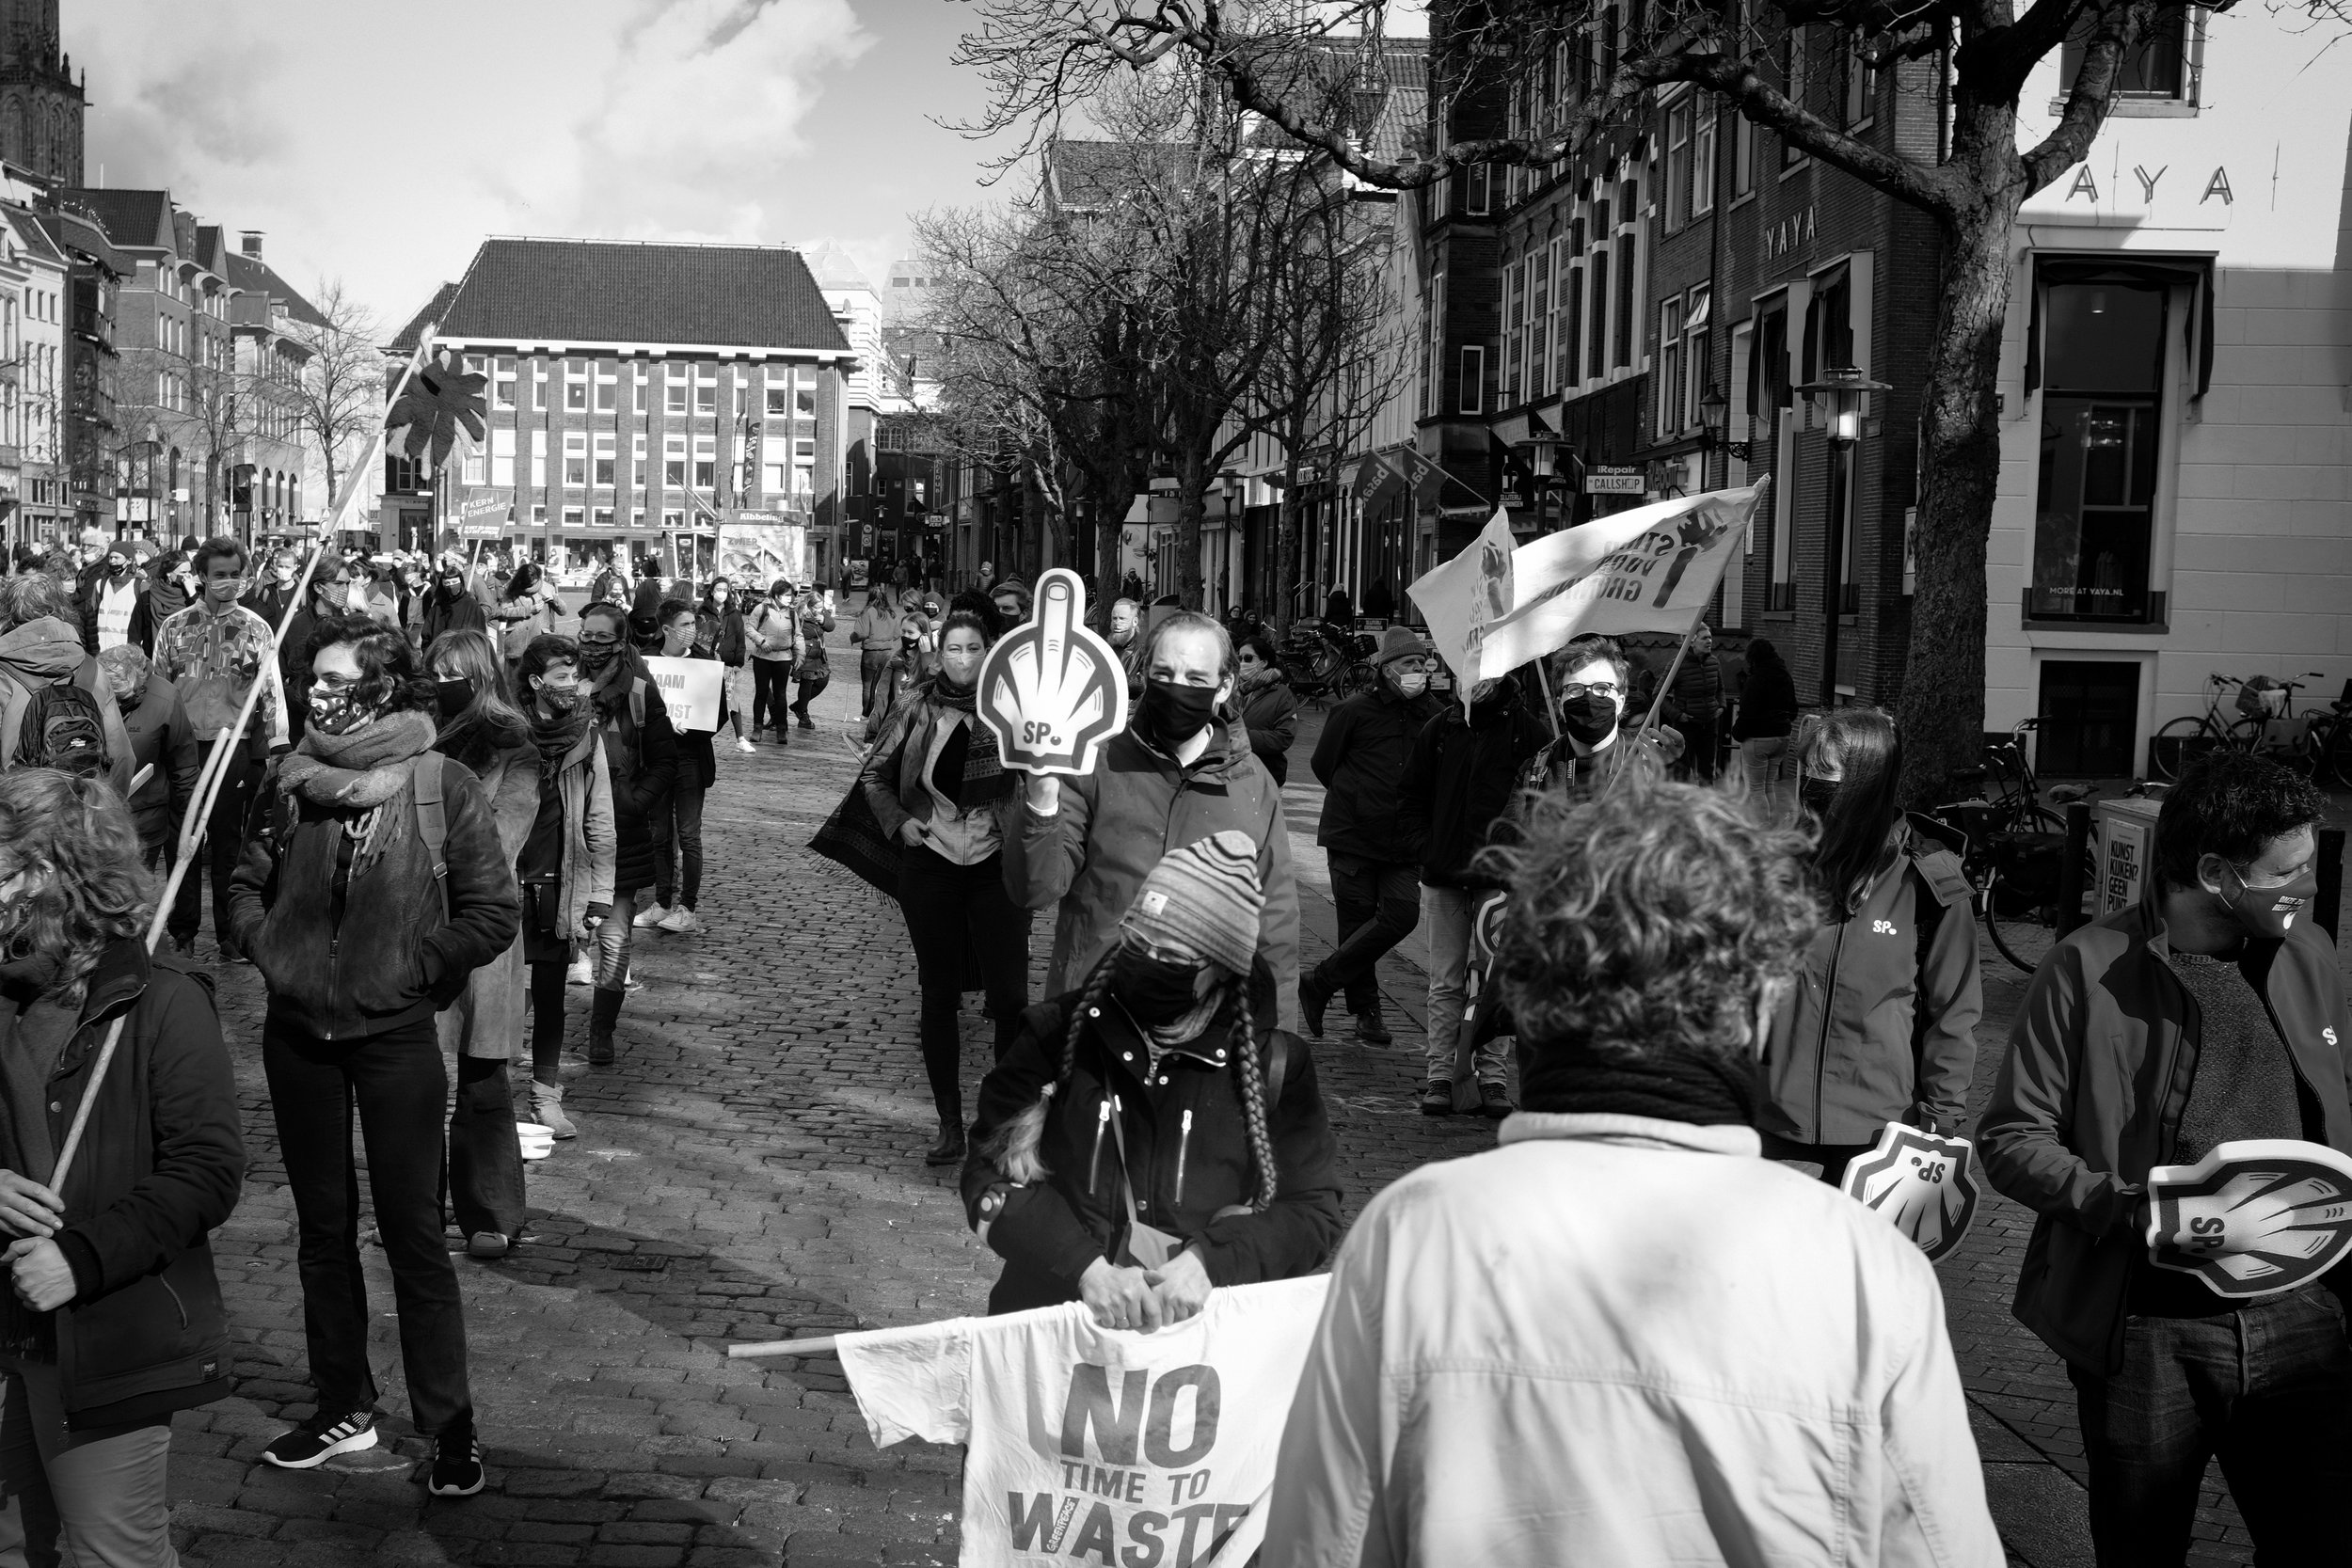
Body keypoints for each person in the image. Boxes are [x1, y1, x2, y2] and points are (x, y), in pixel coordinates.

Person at [1263, 779, 2003, 1566]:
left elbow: (1321, 1545)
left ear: (1535, 990)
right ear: (1755, 1004)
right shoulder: (1867, 1273)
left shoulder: (1412, 1237)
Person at [1979, 752, 2352, 1563]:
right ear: (2217, 874)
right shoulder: (2084, 967)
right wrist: (2132, 1209)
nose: (2309, 889)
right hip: (2147, 1331)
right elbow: (2011, 1140)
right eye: (2288, 871)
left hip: (2300, 1317)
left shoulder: (2311, 952)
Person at [228, 610, 519, 1497]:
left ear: (383, 686)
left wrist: (416, 968)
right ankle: (341, 1402)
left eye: (335, 678)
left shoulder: (442, 782)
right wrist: (267, 946)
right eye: (312, 677)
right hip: (298, 1038)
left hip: (394, 1038)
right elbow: (243, 880)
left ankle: (450, 1424)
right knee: (323, 1230)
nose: (318, 691)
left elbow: (491, 908)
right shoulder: (289, 780)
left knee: (413, 1234)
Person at [0, 771, 246, 1568]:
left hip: (102, 1341)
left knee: (111, 1555)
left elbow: (206, 1170)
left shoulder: (164, 1002)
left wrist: (81, 1255)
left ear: (55, 876)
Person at [962, 832, 1341, 1322]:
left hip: (1198, 1346)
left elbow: (1312, 1210)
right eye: (1137, 942)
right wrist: (1086, 1269)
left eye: (1173, 959)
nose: (1147, 965)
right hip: (1055, 1331)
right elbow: (988, 1173)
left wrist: (1210, 1262)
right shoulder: (1052, 1034)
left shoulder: (1277, 1066)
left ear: (1221, 970)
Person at [1004, 610, 1300, 1027]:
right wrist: (1041, 797)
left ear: (1224, 686)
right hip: (1097, 1016)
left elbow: (1276, 929)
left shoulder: (1253, 785)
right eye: (1165, 673)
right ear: (1145, 674)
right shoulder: (1096, 763)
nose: (1178, 689)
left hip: (1206, 1034)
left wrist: (1277, 1046)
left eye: (1196, 679)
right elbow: (1033, 889)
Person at [1759, 707, 1979, 1186]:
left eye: (1829, 772)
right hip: (1767, 1121)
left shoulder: (1928, 882)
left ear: (1868, 781)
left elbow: (1954, 1010)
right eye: (1809, 769)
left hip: (1877, 1135)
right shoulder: (1772, 863)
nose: (1814, 783)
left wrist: (1942, 1113)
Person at [863, 610, 1027, 1165]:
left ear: (991, 651)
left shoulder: (1013, 711)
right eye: (953, 649)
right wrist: (899, 820)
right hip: (930, 863)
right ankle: (949, 1123)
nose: (961, 659)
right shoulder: (915, 707)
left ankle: (1002, 1120)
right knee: (939, 993)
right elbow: (874, 775)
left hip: (994, 863)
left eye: (973, 649)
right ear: (939, 652)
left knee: (1010, 996)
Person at [425, 629, 537, 1259]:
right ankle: (416, 1209)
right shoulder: (416, 734)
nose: (442, 680)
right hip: (415, 923)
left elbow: (502, 840)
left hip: (482, 931)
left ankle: (491, 1210)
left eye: (453, 671)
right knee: (415, 1076)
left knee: (482, 1076)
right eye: (434, 669)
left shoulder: (512, 745)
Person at [1396, 666, 1548, 1117]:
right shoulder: (1441, 727)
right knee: (1445, 979)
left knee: (1493, 979)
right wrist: (1426, 847)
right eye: (1466, 673)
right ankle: (1440, 1074)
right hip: (1444, 873)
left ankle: (1494, 1078)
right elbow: (1411, 794)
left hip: (1500, 879)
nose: (1474, 682)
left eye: (1484, 672)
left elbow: (1541, 805)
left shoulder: (1529, 733)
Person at [1300, 626, 1441, 1047]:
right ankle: (1368, 1013)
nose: (1417, 670)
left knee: (1402, 914)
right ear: (1386, 669)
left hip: (1403, 842)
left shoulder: (1435, 715)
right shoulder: (1352, 711)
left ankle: (1321, 981)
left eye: (1422, 664)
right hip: (1353, 836)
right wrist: (1357, 799)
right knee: (1356, 924)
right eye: (1407, 664)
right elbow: (1323, 764)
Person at [151, 537, 290, 961]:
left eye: (235, 574)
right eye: (220, 575)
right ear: (202, 578)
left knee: (230, 840)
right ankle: (183, 930)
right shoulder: (175, 627)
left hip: (235, 746)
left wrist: (279, 741)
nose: (228, 582)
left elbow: (272, 689)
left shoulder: (255, 628)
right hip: (185, 747)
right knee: (184, 838)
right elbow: (158, 686)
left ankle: (231, 932)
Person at [512, 634, 615, 1139]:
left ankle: (545, 1097)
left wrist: (600, 892)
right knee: (498, 993)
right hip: (507, 879)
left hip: (559, 879)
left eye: (574, 676)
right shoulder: (506, 732)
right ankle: (473, 1088)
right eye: (560, 677)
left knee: (552, 996)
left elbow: (600, 819)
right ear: (535, 682)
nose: (571, 685)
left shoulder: (587, 736)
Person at [573, 603, 677, 1065]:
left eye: (602, 637)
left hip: (621, 835)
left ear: (620, 641)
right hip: (565, 831)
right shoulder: (560, 682)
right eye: (586, 635)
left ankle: (602, 1029)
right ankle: (527, 1034)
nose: (591, 645)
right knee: (554, 940)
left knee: (614, 939)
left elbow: (665, 761)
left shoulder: (638, 691)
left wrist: (634, 802)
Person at [637, 602, 714, 936]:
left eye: (693, 623)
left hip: (691, 758)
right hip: (656, 758)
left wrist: (691, 727)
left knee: (689, 834)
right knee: (659, 835)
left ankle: (689, 908)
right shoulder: (645, 661)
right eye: (684, 624)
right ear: (666, 629)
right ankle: (662, 902)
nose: (692, 629)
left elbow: (717, 713)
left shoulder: (705, 662)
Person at [96, 643, 200, 877]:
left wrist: (190, 821)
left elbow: (184, 766)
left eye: (122, 699)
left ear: (137, 687)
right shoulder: (90, 691)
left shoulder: (165, 697)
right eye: (109, 697)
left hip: (145, 821)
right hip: (97, 820)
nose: (116, 705)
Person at [1535, 633, 1673, 799]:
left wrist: (1674, 767)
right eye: (1575, 689)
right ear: (1560, 705)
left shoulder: (1647, 759)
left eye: (1602, 688)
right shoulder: (1538, 768)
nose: (1589, 698)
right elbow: (1508, 823)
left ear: (1620, 703)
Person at [1733, 635, 1799, 825]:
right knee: (1769, 785)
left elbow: (1747, 712)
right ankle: (1771, 825)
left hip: (1758, 739)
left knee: (1756, 789)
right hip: (1782, 736)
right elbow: (1793, 709)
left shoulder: (1756, 680)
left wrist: (1738, 733)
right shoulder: (1785, 676)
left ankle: (1761, 829)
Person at [1232, 633, 1300, 786]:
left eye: (1248, 658)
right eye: (1239, 658)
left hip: (1266, 779)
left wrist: (1243, 737)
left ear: (1263, 662)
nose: (1242, 663)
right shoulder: (1228, 689)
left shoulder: (1282, 694)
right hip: (1230, 778)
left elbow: (1284, 737)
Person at [1665, 621, 1726, 783]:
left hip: (1709, 724)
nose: (1709, 641)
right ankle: (1683, 804)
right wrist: (1678, 715)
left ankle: (1706, 805)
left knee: (1708, 771)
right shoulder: (1677, 665)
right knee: (1683, 770)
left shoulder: (1713, 662)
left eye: (1710, 638)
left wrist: (1721, 706)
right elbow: (1658, 694)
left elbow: (1720, 688)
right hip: (1686, 726)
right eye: (1704, 638)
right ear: (1692, 640)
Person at [744, 579, 803, 745]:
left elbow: (798, 635)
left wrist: (800, 655)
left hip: (783, 658)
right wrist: (762, 641)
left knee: (781, 694)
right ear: (777, 595)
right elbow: (749, 628)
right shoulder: (761, 609)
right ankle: (757, 727)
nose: (790, 598)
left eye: (791, 595)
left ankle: (781, 729)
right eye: (786, 595)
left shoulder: (792, 613)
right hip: (762, 657)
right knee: (761, 693)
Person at [700, 577, 753, 753]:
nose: (721, 592)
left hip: (729, 665)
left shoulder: (734, 614)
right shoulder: (702, 611)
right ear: (712, 590)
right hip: (708, 664)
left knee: (733, 701)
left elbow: (740, 639)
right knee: (707, 701)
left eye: (725, 589)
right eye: (719, 589)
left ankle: (741, 738)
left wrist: (738, 661)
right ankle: (701, 736)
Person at [77, 541, 143, 655]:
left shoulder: (140, 586)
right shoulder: (101, 584)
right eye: (110, 558)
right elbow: (91, 615)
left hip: (127, 653)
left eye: (117, 558)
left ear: (129, 560)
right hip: (102, 651)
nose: (112, 562)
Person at [850, 583, 904, 720]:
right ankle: (880, 713)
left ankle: (865, 714)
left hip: (871, 653)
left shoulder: (868, 611)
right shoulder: (891, 613)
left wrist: (853, 638)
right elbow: (897, 633)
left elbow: (860, 632)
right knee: (882, 686)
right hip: (888, 653)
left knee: (868, 686)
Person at [787, 583, 834, 731]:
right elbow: (799, 634)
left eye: (821, 606)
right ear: (809, 605)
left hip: (819, 655)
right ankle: (803, 715)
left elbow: (831, 626)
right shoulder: (800, 615)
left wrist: (823, 620)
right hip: (805, 654)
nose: (820, 609)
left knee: (823, 681)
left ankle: (798, 706)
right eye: (817, 607)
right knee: (806, 683)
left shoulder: (821, 612)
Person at [421, 559, 487, 648]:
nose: (451, 586)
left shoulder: (471, 606)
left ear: (461, 583)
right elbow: (427, 635)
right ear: (442, 585)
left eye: (454, 582)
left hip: (464, 655)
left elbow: (479, 635)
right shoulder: (438, 607)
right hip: (440, 655)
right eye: (447, 583)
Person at [240, 548, 303, 631]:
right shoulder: (267, 592)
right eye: (280, 566)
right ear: (276, 565)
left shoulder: (302, 593)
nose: (283, 570)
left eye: (287, 567)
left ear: (295, 567)